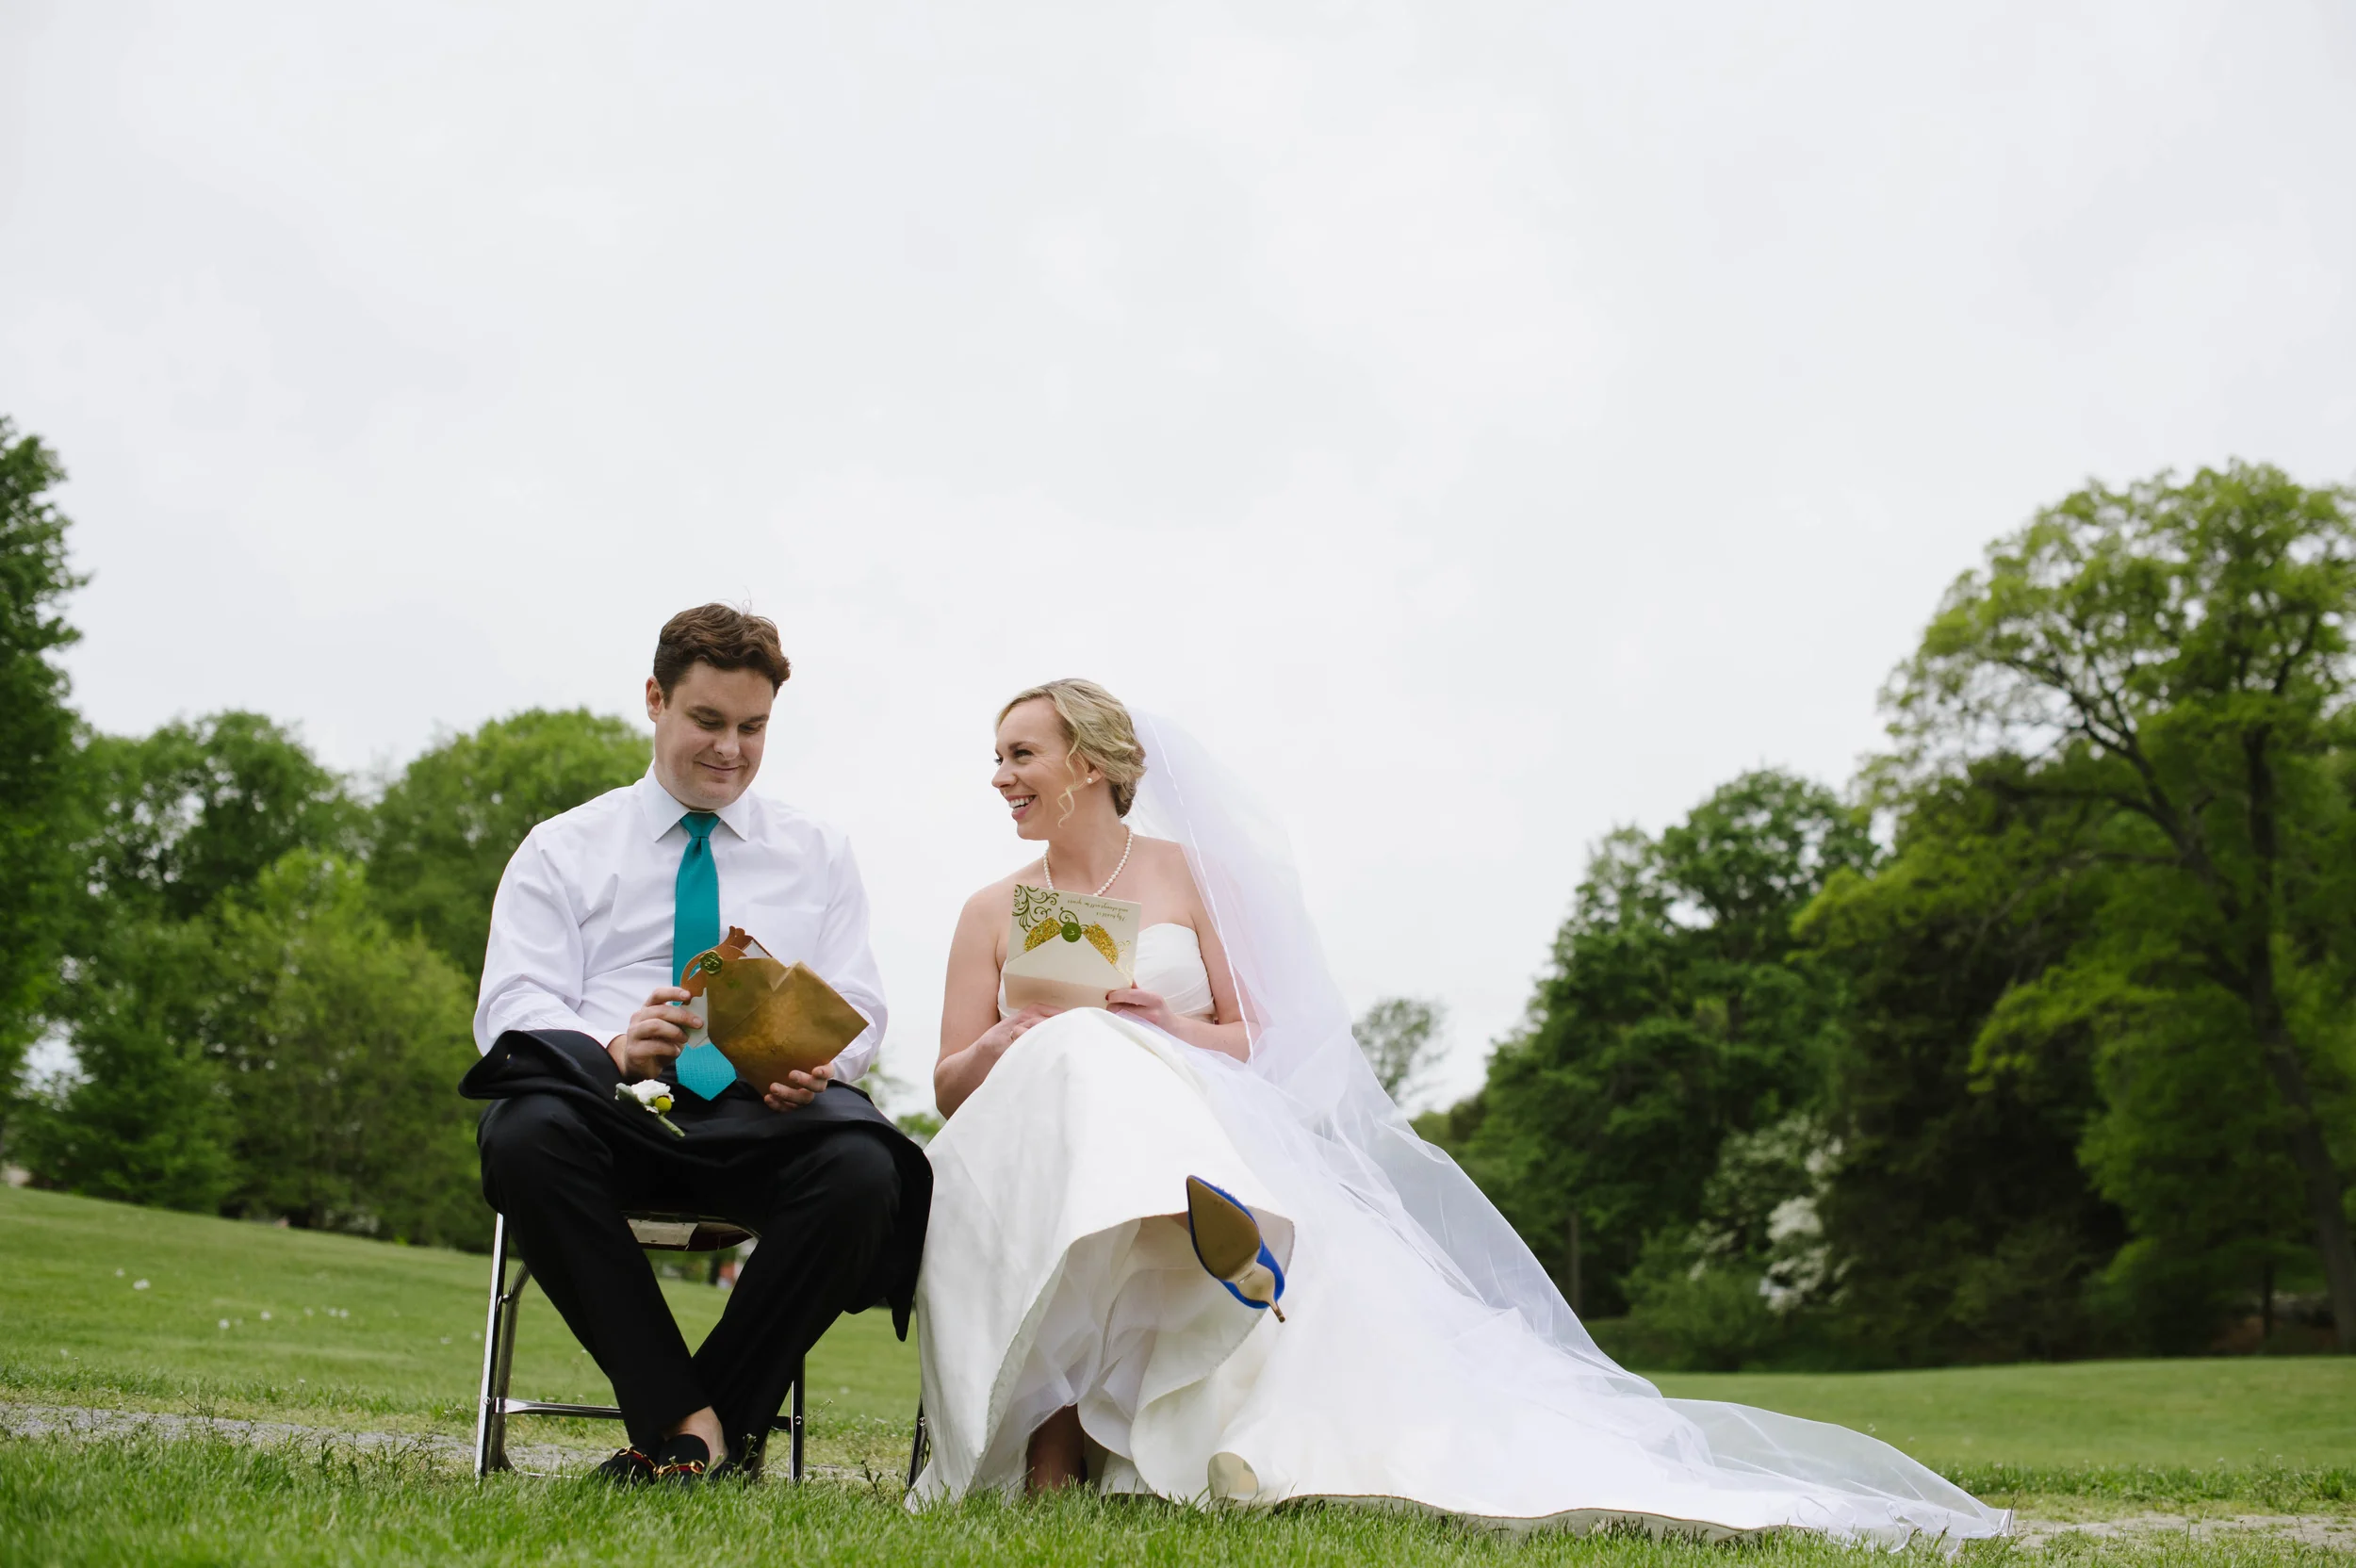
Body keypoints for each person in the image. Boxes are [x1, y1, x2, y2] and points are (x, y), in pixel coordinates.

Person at [910, 679, 2008, 1544]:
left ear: (1088, 764)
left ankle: (1174, 1419)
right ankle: (1058, 1441)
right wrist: (1013, 1034)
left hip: (1196, 1117)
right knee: (1076, 1067)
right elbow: (950, 1083)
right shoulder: (988, 912)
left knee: (1121, 1062)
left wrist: (1166, 1022)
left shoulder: (1189, 875)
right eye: (999, 755)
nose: (998, 774)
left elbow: (1260, 1036)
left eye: (1020, 752)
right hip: (1038, 1140)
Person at [462, 604, 928, 1485]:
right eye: (708, 722)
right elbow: (511, 1010)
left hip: (763, 1118)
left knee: (869, 1171)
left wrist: (822, 1064)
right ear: (655, 701)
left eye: (753, 728)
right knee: (522, 1132)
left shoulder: (818, 853)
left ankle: (690, 1438)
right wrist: (615, 1044)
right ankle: (693, 1426)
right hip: (611, 1116)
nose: (731, 749)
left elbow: (859, 998)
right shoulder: (562, 849)